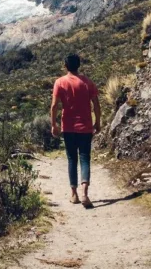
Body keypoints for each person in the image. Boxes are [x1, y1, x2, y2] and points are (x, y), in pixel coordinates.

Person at [50, 53, 101, 208]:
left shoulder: (60, 82)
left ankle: (74, 194)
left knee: (72, 159)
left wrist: (54, 124)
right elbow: (96, 104)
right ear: (79, 65)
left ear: (65, 66)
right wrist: (97, 122)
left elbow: (54, 106)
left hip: (68, 127)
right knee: (85, 158)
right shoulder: (88, 82)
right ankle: (85, 193)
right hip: (85, 126)